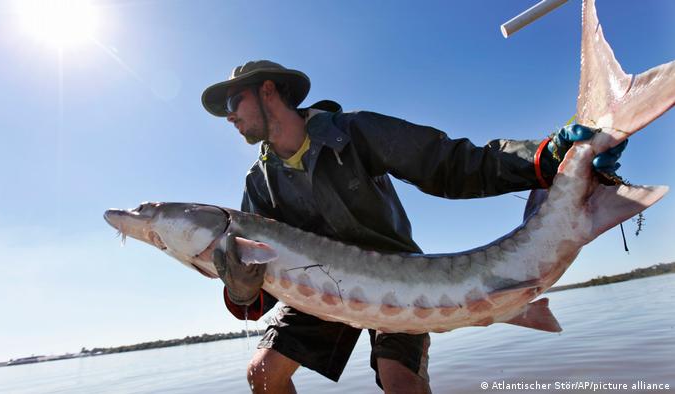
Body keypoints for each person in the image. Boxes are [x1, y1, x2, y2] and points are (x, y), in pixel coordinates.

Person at [201, 60, 625, 394]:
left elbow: (448, 164)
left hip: (396, 278)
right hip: (320, 291)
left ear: (268, 90)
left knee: (400, 382)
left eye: (233, 102)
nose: (228, 116)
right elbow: (254, 288)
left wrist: (544, 156)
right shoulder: (258, 184)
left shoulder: (352, 132)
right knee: (262, 374)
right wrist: (239, 290)